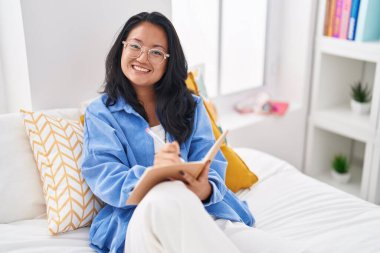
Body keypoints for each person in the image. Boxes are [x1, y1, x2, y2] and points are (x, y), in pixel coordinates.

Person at [82, 11, 309, 253]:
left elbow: (212, 166)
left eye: (156, 52)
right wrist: (155, 175)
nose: (143, 57)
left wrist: (205, 189)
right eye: (135, 46)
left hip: (201, 211)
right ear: (122, 49)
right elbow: (106, 177)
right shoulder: (101, 113)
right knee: (165, 193)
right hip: (138, 219)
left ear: (169, 61)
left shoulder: (191, 106)